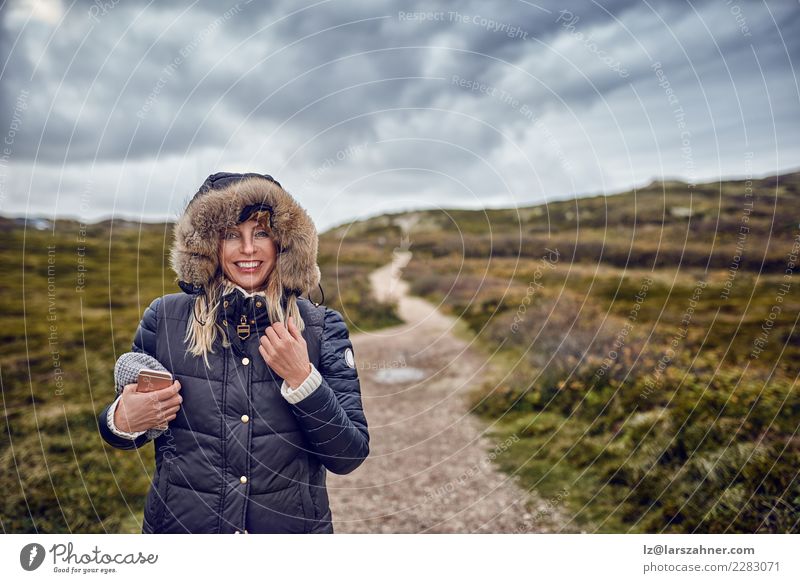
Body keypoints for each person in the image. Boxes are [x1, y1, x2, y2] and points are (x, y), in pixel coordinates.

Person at [97, 171, 369, 534]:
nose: (248, 249)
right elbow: (121, 431)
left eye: (261, 233)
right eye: (230, 235)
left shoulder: (320, 327)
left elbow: (348, 455)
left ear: (284, 243)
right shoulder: (164, 318)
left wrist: (304, 381)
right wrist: (121, 421)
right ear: (207, 246)